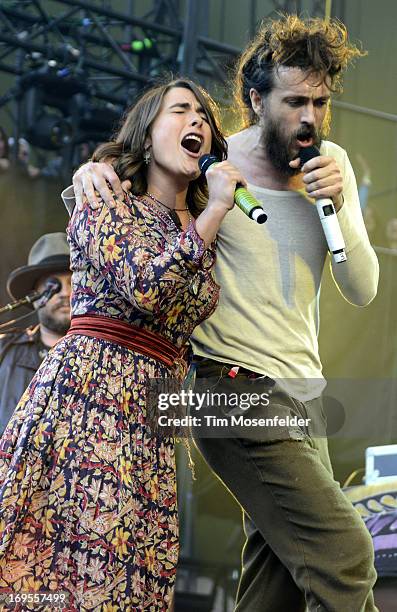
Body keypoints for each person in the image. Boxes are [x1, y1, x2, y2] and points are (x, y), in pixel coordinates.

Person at [71, 15, 381, 612]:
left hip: (305, 397)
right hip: (226, 386)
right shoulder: (211, 167)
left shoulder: (329, 165)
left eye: (319, 102)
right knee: (345, 552)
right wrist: (92, 170)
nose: (309, 118)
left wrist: (339, 207)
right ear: (254, 99)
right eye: (294, 101)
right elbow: (136, 180)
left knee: (281, 586)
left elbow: (362, 288)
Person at [0, 78, 244, 611]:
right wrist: (213, 213)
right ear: (146, 131)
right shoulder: (105, 197)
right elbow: (148, 286)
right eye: (181, 111)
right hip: (90, 400)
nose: (197, 121)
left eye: (204, 116)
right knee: (71, 570)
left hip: (151, 417)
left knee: (133, 579)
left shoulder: (206, 222)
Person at [0, 232, 71, 434]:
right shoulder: (4, 350)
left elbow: (164, 425)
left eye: (74, 283)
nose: (65, 293)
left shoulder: (110, 356)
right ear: (33, 296)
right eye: (53, 285)